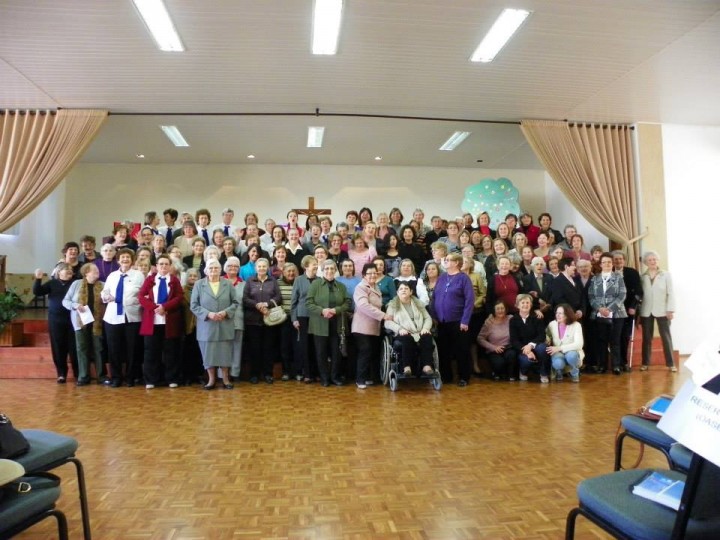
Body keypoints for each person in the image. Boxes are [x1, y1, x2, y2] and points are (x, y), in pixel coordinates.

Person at [190, 259, 238, 390]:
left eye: (216, 268)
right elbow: (193, 305)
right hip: (207, 325)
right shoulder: (199, 285)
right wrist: (208, 314)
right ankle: (211, 380)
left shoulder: (227, 284)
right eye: (211, 268)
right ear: (206, 271)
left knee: (225, 353)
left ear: (220, 270)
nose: (213, 271)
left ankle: (226, 379)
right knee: (208, 353)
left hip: (224, 323)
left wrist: (226, 312)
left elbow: (235, 303)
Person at [138, 254, 184, 389]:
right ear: (156, 266)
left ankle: (172, 378)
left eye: (166, 264)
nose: (164, 266)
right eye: (161, 264)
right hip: (152, 321)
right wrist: (155, 308)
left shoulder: (174, 280)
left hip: (169, 321)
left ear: (170, 266)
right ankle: (151, 380)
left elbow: (179, 297)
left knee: (171, 351)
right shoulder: (150, 280)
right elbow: (141, 297)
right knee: (151, 351)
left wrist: (165, 307)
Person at [101, 248, 145, 387]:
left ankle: (131, 377)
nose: (125, 259)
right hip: (113, 317)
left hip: (132, 316)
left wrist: (127, 300)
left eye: (128, 257)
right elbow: (105, 291)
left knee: (132, 348)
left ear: (132, 260)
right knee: (114, 348)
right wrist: (105, 296)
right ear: (118, 260)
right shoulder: (112, 276)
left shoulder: (139, 275)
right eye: (122, 257)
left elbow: (143, 294)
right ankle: (116, 377)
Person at [429, 252, 474, 386]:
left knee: (462, 350)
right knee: (443, 351)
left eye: (448, 260)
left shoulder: (463, 278)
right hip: (442, 322)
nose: (445, 261)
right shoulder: (442, 277)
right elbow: (435, 296)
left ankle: (464, 377)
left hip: (459, 321)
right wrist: (434, 315)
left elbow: (469, 300)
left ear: (456, 263)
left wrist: (465, 321)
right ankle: (446, 376)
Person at [306, 260, 351, 386]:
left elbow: (347, 303)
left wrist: (335, 310)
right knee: (321, 352)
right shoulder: (315, 285)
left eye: (332, 269)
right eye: (327, 269)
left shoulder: (341, 286)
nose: (330, 271)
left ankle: (335, 376)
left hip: (337, 323)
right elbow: (309, 303)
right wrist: (322, 311)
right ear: (322, 270)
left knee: (337, 352)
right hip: (320, 323)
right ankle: (324, 378)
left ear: (336, 270)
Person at [62, 263, 107, 385]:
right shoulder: (76, 284)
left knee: (99, 348)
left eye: (98, 270)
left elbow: (107, 300)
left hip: (97, 322)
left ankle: (101, 376)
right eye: (94, 270)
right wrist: (76, 306)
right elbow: (65, 301)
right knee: (82, 348)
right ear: (86, 272)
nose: (97, 272)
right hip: (80, 322)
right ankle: (83, 376)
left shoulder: (102, 285)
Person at [33, 263, 77, 384]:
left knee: (73, 346)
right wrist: (38, 278)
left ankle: (78, 373)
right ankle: (61, 373)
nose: (69, 271)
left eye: (70, 270)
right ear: (58, 272)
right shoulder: (52, 283)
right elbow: (37, 291)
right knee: (58, 346)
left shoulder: (76, 283)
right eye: (65, 269)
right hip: (56, 319)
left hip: (73, 319)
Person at [352, 263, 393, 389]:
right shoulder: (361, 287)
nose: (372, 275)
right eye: (369, 273)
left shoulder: (375, 286)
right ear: (364, 275)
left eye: (374, 273)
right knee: (365, 351)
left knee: (372, 352)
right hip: (361, 326)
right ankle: (360, 380)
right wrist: (383, 315)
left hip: (373, 326)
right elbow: (363, 306)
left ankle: (370, 377)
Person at [243, 258, 282, 384]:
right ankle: (254, 374)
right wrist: (257, 305)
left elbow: (278, 297)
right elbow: (245, 298)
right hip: (253, 321)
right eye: (259, 266)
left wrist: (267, 304)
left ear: (267, 268)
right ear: (255, 268)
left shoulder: (273, 281)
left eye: (264, 266)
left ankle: (267, 374)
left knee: (268, 348)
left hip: (269, 319)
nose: (261, 268)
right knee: (254, 348)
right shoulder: (249, 281)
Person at [588, 252, 627, 375]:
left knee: (615, 340)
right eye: (604, 262)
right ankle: (602, 366)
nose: (607, 264)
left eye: (609, 262)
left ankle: (616, 365)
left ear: (612, 263)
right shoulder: (594, 278)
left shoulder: (619, 277)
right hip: (599, 314)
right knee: (601, 341)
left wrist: (609, 309)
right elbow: (591, 296)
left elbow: (622, 295)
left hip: (617, 314)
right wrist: (600, 309)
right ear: (600, 264)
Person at [384, 282, 435, 376]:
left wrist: (425, 328)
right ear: (397, 292)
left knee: (427, 336)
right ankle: (406, 367)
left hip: (419, 331)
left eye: (406, 288)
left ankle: (426, 366)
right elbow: (387, 322)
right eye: (401, 289)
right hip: (403, 333)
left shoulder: (418, 304)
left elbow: (427, 318)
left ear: (411, 292)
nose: (403, 290)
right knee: (407, 339)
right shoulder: (392, 305)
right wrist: (399, 329)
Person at [639, 251, 677, 372]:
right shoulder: (642, 276)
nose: (653, 261)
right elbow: (641, 295)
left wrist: (670, 309)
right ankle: (645, 363)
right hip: (646, 311)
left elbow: (670, 293)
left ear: (658, 261)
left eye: (654, 259)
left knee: (666, 337)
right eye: (650, 260)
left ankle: (671, 364)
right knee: (646, 338)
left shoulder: (666, 275)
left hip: (663, 310)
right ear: (646, 262)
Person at [612, 250, 642, 370]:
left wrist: (633, 306)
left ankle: (623, 362)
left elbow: (639, 292)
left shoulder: (632, 273)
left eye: (620, 259)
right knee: (615, 337)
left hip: (628, 310)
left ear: (624, 260)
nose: (618, 261)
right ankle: (616, 364)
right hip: (613, 311)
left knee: (625, 337)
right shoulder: (608, 273)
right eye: (616, 259)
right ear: (612, 261)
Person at [510, 294, 550, 383]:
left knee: (543, 348)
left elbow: (542, 335)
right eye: (522, 303)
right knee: (526, 361)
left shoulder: (537, 317)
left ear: (531, 305)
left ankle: (543, 373)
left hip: (536, 346)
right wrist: (527, 351)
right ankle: (523, 372)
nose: (525, 305)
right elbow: (514, 340)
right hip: (522, 349)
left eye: (527, 302)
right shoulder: (513, 320)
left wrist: (530, 345)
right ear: (517, 305)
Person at [291, 256, 319, 382]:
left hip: (317, 316)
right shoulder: (298, 280)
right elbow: (294, 301)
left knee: (317, 345)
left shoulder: (320, 280)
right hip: (302, 316)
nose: (316, 266)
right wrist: (294, 319)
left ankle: (316, 372)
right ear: (306, 266)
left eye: (316, 264)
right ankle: (307, 373)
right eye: (314, 264)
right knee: (305, 345)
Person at [477, 300, 517, 381]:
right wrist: (493, 347)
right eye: (498, 309)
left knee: (512, 355)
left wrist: (536, 311)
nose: (500, 310)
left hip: (508, 347)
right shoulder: (489, 322)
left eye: (502, 308)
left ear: (506, 309)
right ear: (494, 311)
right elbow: (480, 338)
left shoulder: (511, 319)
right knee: (499, 363)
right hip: (494, 350)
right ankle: (496, 373)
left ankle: (510, 375)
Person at [546, 304, 584, 382]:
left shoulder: (576, 325)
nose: (558, 315)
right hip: (557, 353)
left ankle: (574, 372)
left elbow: (579, 344)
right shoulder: (552, 324)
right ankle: (559, 372)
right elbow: (546, 336)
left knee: (571, 356)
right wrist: (547, 339)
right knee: (558, 363)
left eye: (560, 313)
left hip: (571, 351)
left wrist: (560, 348)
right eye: (557, 313)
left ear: (567, 314)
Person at [223, 257, 245, 381]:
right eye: (230, 266)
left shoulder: (244, 283)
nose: (233, 268)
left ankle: (235, 373)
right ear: (226, 268)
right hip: (223, 319)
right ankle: (223, 375)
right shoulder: (220, 281)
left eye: (236, 266)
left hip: (238, 318)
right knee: (224, 347)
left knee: (237, 347)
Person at [181, 268, 203, 385]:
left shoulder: (203, 289)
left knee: (199, 351)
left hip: (200, 324)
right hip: (186, 324)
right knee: (187, 351)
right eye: (191, 276)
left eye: (195, 276)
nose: (193, 278)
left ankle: (198, 374)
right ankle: (187, 376)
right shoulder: (181, 290)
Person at [277, 262, 299, 380]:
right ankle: (286, 371)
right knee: (285, 346)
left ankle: (297, 372)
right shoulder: (278, 283)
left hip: (297, 319)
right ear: (284, 273)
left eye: (293, 271)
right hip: (283, 319)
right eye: (288, 271)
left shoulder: (299, 282)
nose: (291, 273)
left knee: (297, 346)